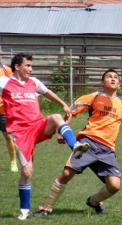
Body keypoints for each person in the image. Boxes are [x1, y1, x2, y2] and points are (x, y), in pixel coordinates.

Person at [34, 69, 122, 217]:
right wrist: (63, 131)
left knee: (115, 186)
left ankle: (93, 201)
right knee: (66, 173)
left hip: (107, 150)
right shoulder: (94, 97)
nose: (113, 79)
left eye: (116, 77)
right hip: (87, 143)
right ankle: (46, 207)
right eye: (109, 77)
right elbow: (71, 111)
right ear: (102, 82)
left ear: (119, 83)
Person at [0, 53, 90, 220]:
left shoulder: (34, 82)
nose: (30, 69)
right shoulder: (4, 82)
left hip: (37, 125)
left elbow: (47, 93)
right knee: (27, 172)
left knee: (56, 117)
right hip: (19, 133)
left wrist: (63, 104)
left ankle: (75, 145)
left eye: (31, 66)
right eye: (27, 66)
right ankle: (24, 211)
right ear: (17, 67)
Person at [0, 62, 18, 172]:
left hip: (3, 110)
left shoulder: (5, 69)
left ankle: (13, 162)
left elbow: (13, 86)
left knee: (8, 137)